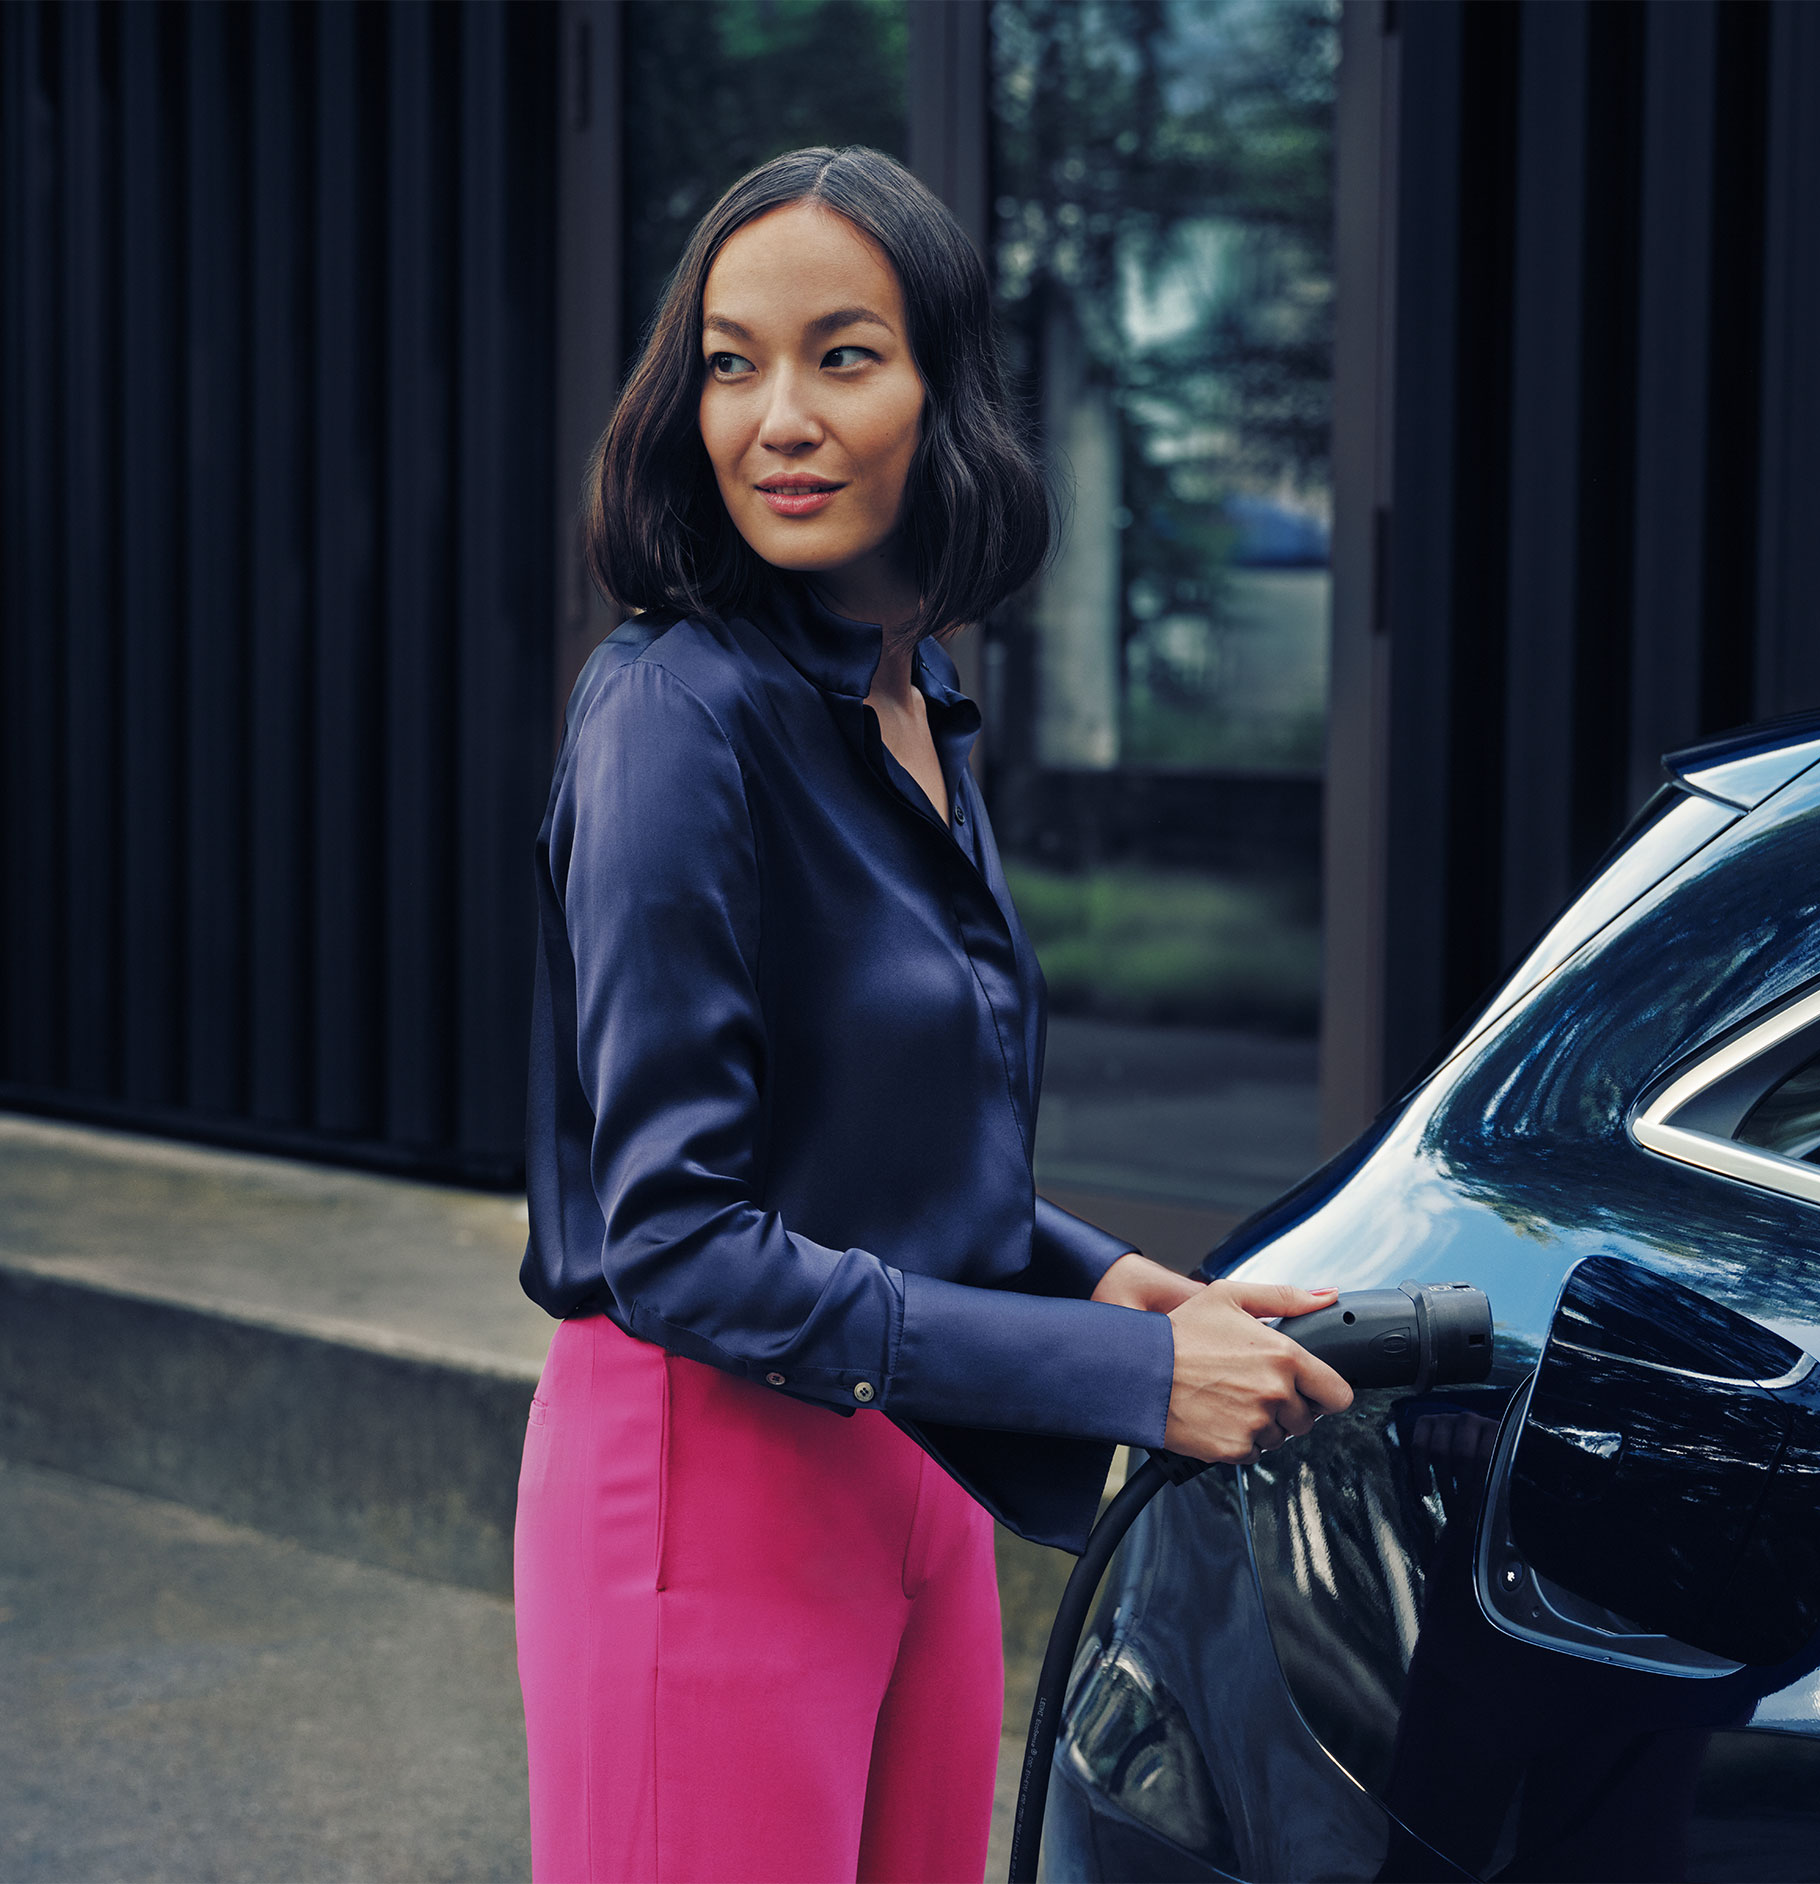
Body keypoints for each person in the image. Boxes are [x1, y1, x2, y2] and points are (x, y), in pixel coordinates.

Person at [512, 144, 1351, 1884]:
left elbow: (867, 1127)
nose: (778, 417)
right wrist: (1123, 1375)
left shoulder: (912, 698)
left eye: (843, 353)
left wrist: (1102, 1279)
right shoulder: (672, 713)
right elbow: (679, 1239)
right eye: (731, 363)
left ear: (943, 396)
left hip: (917, 1470)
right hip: (705, 1469)